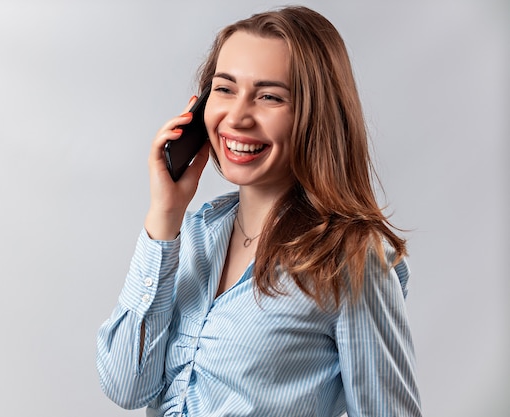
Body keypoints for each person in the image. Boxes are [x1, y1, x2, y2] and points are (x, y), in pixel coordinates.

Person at [97, 6, 422, 417]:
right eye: (225, 89)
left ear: (314, 115)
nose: (237, 116)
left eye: (269, 96)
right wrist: (165, 214)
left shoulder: (352, 260)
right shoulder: (195, 234)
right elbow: (126, 385)